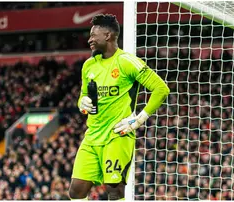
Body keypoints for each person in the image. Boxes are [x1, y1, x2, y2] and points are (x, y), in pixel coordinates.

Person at [68, 14, 170, 200]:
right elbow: (83, 96)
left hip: (117, 135)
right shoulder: (89, 65)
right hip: (92, 136)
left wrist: (138, 119)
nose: (89, 39)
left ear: (107, 35)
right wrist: (82, 103)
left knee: (114, 190)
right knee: (76, 190)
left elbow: (161, 89)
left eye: (93, 35)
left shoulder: (126, 61)